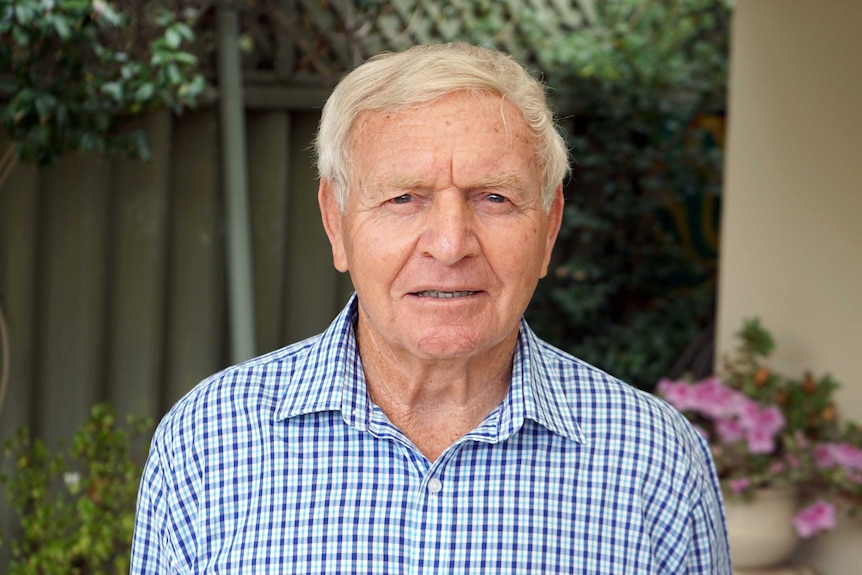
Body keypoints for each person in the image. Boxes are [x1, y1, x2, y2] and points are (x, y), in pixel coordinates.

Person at [131, 42, 731, 574]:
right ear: (335, 223)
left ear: (549, 227)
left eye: (494, 198)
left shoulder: (655, 461)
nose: (449, 244)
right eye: (403, 198)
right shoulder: (209, 442)